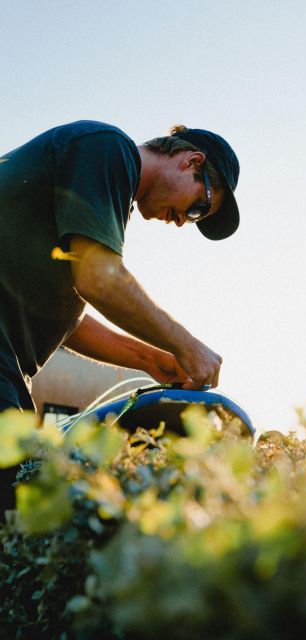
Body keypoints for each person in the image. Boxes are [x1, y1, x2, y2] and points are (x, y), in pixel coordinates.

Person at [0, 120, 240, 511]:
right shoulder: (107, 149)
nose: (182, 221)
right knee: (18, 503)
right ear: (190, 161)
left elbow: (66, 319)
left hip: (8, 361)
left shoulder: (99, 195)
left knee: (24, 500)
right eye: (198, 209)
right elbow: (99, 279)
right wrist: (188, 346)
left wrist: (151, 359)